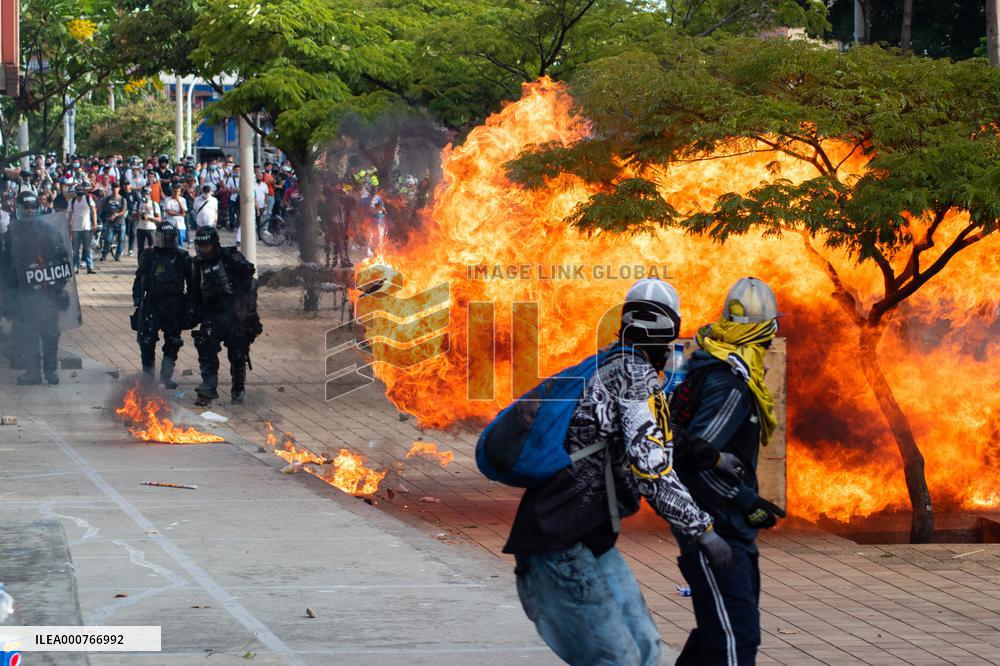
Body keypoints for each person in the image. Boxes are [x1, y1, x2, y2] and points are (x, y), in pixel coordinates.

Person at [504, 278, 730, 666]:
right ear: (670, 330)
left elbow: (661, 435)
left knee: (644, 649)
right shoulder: (632, 375)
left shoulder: (614, 364)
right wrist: (703, 531)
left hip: (588, 541)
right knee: (620, 660)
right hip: (557, 545)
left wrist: (713, 458)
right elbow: (651, 465)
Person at [669, 277, 784, 666]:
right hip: (716, 531)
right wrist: (744, 500)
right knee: (736, 640)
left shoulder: (715, 366)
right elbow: (694, 459)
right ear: (764, 331)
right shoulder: (730, 385)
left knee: (717, 632)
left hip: (728, 527)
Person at [189, 226, 261, 406]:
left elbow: (250, 282)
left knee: (238, 351)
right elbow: (195, 292)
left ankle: (238, 389)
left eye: (206, 245)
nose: (203, 249)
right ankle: (208, 387)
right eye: (200, 246)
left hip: (235, 313)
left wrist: (247, 308)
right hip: (213, 313)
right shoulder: (197, 264)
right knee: (205, 343)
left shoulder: (231, 258)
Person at [6, 191, 71, 385]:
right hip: (23, 291)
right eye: (25, 208)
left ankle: (51, 372)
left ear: (38, 208)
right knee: (28, 332)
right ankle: (34, 372)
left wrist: (57, 284)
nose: (28, 211)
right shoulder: (13, 231)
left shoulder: (49, 229)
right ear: (18, 209)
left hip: (46, 289)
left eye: (32, 207)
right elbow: (7, 260)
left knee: (50, 332)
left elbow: (62, 257)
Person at [132, 223, 192, 388]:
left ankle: (166, 377)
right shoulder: (150, 255)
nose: (165, 240)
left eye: (168, 237)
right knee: (147, 340)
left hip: (175, 303)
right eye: (162, 237)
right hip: (153, 302)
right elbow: (139, 278)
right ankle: (148, 376)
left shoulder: (182, 256)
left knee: (172, 341)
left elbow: (192, 283)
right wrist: (138, 300)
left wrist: (191, 305)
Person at [67, 184, 97, 274]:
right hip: (75, 228)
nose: (80, 195)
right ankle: (75, 267)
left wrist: (94, 223)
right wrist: (68, 225)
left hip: (87, 227)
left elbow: (93, 211)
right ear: (75, 192)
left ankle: (90, 267)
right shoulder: (72, 201)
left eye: (81, 192)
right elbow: (69, 214)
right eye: (78, 192)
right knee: (75, 250)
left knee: (87, 249)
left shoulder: (88, 199)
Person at [98, 182, 127, 262]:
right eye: (114, 187)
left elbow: (124, 211)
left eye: (117, 187)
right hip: (110, 223)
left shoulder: (122, 199)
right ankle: (104, 255)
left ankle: (117, 256)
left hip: (120, 222)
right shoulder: (108, 199)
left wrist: (116, 215)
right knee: (108, 240)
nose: (115, 189)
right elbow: (104, 209)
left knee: (122, 240)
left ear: (119, 188)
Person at [134, 187, 161, 255]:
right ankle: (141, 263)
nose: (145, 195)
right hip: (140, 228)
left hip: (151, 228)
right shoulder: (137, 204)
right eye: (143, 193)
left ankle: (152, 264)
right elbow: (133, 216)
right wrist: (139, 214)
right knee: (140, 249)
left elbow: (159, 219)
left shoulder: (154, 204)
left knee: (153, 248)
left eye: (147, 193)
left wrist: (149, 218)